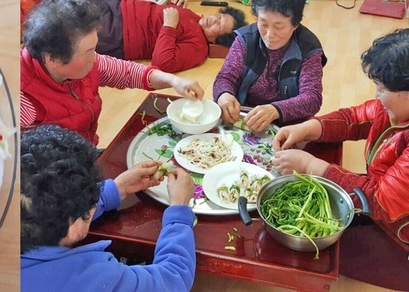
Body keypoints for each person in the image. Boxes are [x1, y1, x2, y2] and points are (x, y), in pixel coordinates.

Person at [271, 28, 409, 291]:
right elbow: (354, 119)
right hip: (381, 201)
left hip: (398, 236)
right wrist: (307, 128)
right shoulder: (393, 109)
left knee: (313, 255)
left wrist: (312, 166)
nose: (377, 97)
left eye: (381, 89)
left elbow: (381, 203)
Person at [21, 124, 197, 291]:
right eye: (91, 203)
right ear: (73, 226)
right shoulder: (95, 278)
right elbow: (173, 279)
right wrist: (179, 208)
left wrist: (116, 189)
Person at [20, 0, 205, 146]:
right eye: (89, 52)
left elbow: (128, 72)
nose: (97, 57)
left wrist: (174, 81)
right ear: (53, 59)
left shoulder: (85, 64)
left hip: (85, 153)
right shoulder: (20, 100)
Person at [213, 0, 327, 132]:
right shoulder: (245, 39)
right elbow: (225, 77)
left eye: (279, 27)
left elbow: (312, 98)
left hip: (288, 124)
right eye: (263, 23)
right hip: (244, 118)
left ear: (295, 24)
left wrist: (276, 109)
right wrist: (224, 95)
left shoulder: (308, 49)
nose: (269, 35)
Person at [94, 0, 248, 72]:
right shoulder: (195, 17)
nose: (213, 19)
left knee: (72, 22)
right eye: (219, 17)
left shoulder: (198, 47)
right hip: (119, 7)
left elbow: (162, 64)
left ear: (216, 40)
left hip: (118, 32)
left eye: (218, 26)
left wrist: (169, 25)